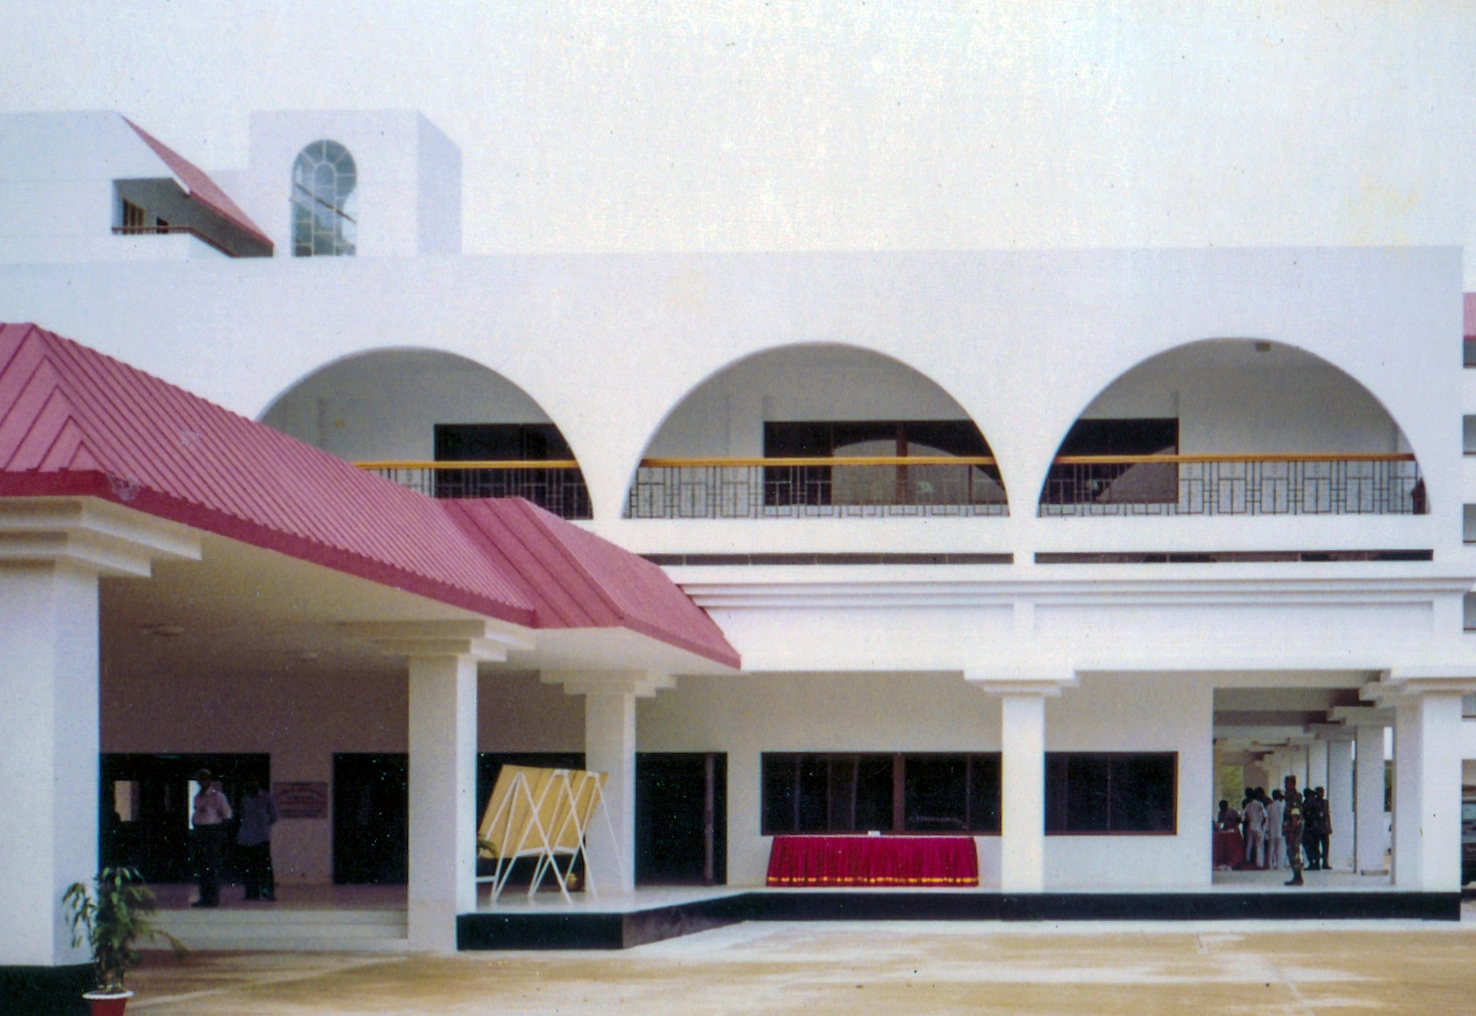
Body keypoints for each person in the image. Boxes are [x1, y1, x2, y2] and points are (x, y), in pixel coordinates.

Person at [191, 770, 232, 907]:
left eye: (204, 778)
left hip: (212, 833)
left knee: (212, 866)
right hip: (199, 832)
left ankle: (213, 898)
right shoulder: (197, 797)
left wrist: (220, 834)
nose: (201, 781)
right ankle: (204, 897)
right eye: (199, 778)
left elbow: (226, 815)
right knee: (202, 867)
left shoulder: (217, 796)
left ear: (209, 780)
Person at [237, 778, 278, 901]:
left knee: (265, 866)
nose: (251, 785)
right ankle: (251, 892)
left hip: (262, 837)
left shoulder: (267, 797)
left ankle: (268, 892)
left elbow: (274, 816)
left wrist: (264, 825)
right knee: (249, 866)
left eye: (253, 783)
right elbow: (242, 815)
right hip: (247, 838)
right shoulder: (245, 799)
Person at [1282, 776, 1305, 886]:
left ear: (1293, 784)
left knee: (1293, 851)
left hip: (1293, 828)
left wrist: (1292, 830)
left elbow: (1295, 814)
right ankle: (1296, 875)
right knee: (1291, 851)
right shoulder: (1289, 796)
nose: (1286, 785)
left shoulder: (1294, 797)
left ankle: (1298, 876)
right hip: (1290, 827)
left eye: (1288, 783)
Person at [1243, 788, 1268, 869]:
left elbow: (1243, 815)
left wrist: (1249, 819)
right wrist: (1262, 826)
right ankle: (1259, 863)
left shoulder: (1248, 805)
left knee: (1249, 844)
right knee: (1259, 846)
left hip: (1251, 826)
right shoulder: (1260, 804)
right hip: (1258, 826)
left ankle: (1247, 860)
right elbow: (1265, 816)